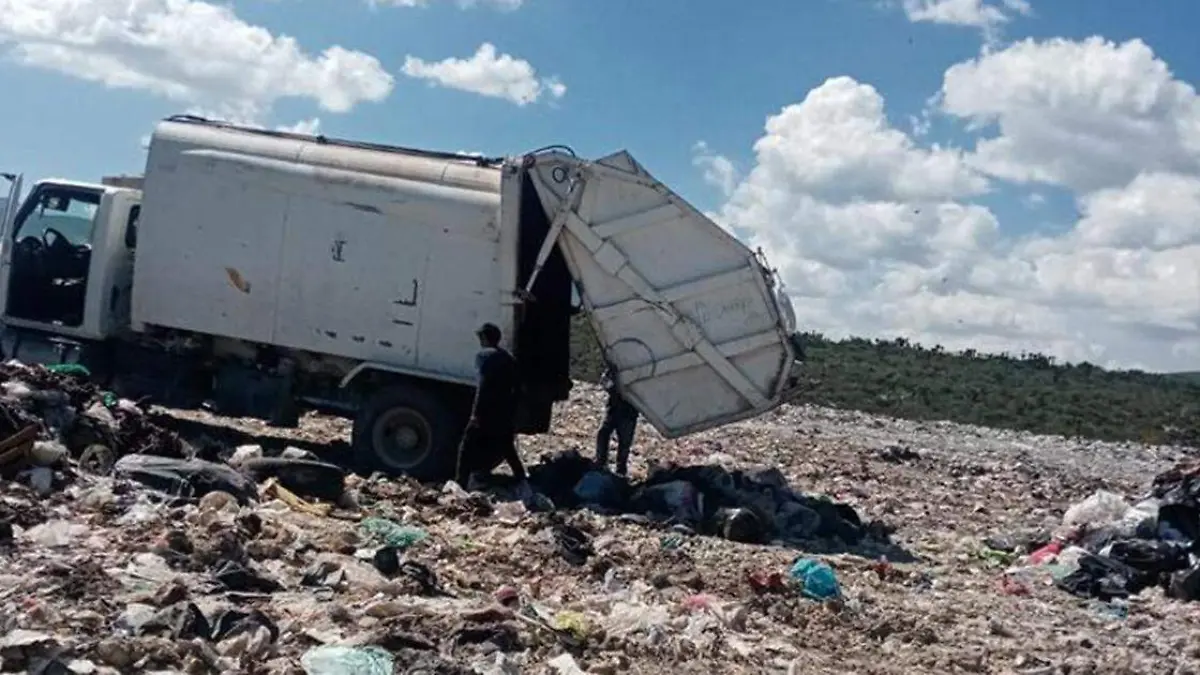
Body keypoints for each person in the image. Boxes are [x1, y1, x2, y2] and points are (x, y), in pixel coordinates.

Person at [455, 323, 530, 493]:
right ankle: (521, 479)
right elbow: (518, 388)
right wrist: (512, 411)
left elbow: (483, 386)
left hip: (487, 411)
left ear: (485, 338)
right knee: (507, 447)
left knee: (466, 446)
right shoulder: (509, 358)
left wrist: (475, 414)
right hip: (504, 413)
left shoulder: (484, 357)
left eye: (481, 337)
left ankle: (460, 483)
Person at [595, 366, 638, 476]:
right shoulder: (615, 366)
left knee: (624, 444)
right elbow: (604, 381)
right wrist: (612, 387)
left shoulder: (638, 369)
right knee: (603, 434)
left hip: (629, 412)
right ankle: (601, 463)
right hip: (613, 409)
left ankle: (620, 472)